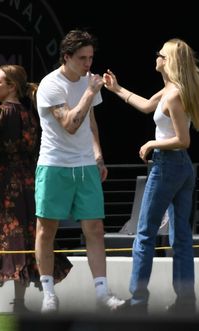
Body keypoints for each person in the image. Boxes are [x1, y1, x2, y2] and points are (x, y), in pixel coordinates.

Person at [103, 38, 199, 314]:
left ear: (168, 61)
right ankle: (186, 302)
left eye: (160, 54)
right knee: (181, 238)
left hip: (168, 166)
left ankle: (138, 302)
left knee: (145, 235)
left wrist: (152, 144)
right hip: (181, 169)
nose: (156, 57)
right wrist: (117, 89)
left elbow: (183, 140)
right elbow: (147, 105)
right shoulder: (170, 90)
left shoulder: (174, 94)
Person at [35, 28, 125, 313]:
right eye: (83, 58)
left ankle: (102, 293)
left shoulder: (89, 82)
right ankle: (48, 294)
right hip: (54, 165)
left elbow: (90, 123)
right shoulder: (51, 85)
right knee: (46, 231)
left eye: (91, 57)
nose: (89, 64)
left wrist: (98, 157)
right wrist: (89, 92)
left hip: (85, 166)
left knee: (95, 229)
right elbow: (71, 123)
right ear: (67, 57)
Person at [0, 64, 73, 313]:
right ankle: (19, 303)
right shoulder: (27, 112)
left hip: (7, 183)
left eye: (0, 82)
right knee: (23, 239)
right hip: (27, 182)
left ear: (11, 87)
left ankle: (18, 303)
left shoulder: (6, 112)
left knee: (12, 238)